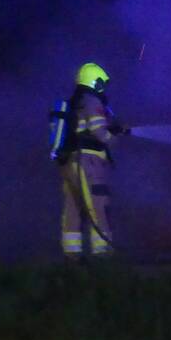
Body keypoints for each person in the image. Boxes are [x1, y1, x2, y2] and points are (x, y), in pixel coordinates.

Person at [58, 62, 126, 260]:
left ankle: (72, 255)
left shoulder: (76, 101)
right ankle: (103, 254)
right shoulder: (92, 100)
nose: (103, 87)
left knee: (73, 208)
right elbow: (97, 130)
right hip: (89, 162)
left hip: (70, 162)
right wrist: (112, 140)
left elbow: (84, 127)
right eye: (101, 83)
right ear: (94, 81)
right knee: (98, 205)